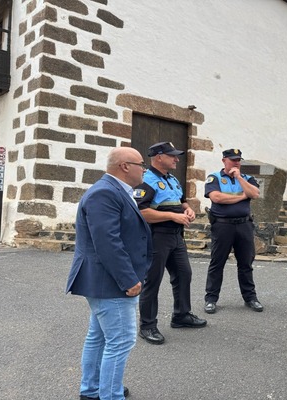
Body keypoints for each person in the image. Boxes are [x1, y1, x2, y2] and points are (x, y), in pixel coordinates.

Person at [66, 147, 153, 400]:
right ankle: (110, 395)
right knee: (121, 340)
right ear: (125, 166)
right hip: (111, 280)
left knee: (99, 337)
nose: (144, 169)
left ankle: (92, 390)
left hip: (105, 279)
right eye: (141, 164)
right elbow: (107, 242)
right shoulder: (105, 192)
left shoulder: (116, 190)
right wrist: (128, 279)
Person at [135, 141, 207, 345]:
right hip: (157, 237)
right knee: (152, 281)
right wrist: (172, 216)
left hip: (176, 236)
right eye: (172, 155)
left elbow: (181, 201)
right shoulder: (146, 180)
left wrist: (188, 209)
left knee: (184, 274)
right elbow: (141, 212)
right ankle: (147, 326)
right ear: (159, 157)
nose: (176, 159)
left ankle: (181, 315)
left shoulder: (172, 179)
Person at [203, 148, 264, 314]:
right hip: (223, 226)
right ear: (224, 160)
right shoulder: (214, 177)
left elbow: (255, 194)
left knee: (246, 263)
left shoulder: (247, 178)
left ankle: (250, 298)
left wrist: (239, 178)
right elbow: (216, 197)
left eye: (238, 160)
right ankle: (211, 299)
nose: (236, 163)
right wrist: (242, 196)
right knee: (217, 263)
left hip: (244, 225)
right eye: (233, 160)